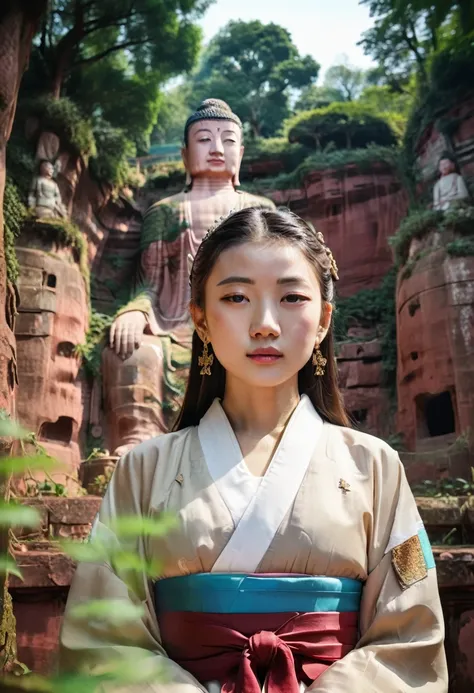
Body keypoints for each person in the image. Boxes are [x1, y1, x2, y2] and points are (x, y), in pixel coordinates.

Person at [60, 207, 448, 692]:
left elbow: (409, 636)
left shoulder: (375, 466)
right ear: (200, 318)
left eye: (291, 297)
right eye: (237, 297)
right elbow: (103, 639)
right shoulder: (143, 469)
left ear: (324, 319)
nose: (265, 324)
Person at [101, 99, 274, 454]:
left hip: (244, 321)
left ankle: (256, 438)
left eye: (227, 141)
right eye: (204, 139)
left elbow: (274, 278)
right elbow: (149, 282)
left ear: (239, 154)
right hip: (175, 321)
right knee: (135, 352)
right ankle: (141, 440)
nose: (216, 148)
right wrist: (136, 311)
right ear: (185, 154)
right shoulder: (164, 212)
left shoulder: (259, 210)